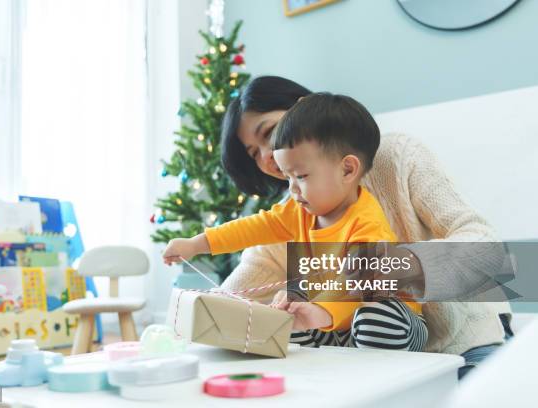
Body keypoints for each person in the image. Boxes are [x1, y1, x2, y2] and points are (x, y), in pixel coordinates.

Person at [214, 75, 513, 379]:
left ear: (303, 108)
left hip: (462, 345)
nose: (266, 155)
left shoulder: (396, 157)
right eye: (253, 153)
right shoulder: (293, 210)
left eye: (268, 133)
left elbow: (485, 248)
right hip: (383, 367)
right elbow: (233, 292)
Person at [164, 93, 428, 351]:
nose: (293, 189)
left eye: (300, 176)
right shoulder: (298, 211)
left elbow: (357, 287)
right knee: (285, 324)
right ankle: (339, 354)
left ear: (347, 169)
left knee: (375, 317)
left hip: (392, 320)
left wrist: (320, 310)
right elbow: (252, 227)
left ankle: (362, 360)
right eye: (288, 178)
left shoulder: (367, 224)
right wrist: (196, 244)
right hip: (339, 328)